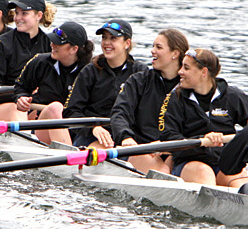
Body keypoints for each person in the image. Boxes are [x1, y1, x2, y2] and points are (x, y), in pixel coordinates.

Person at [161, 48, 248, 187]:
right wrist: (203, 142)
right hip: (190, 162)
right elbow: (167, 136)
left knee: (241, 183)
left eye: (186, 68)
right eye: (181, 67)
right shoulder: (176, 98)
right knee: (204, 173)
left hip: (223, 162)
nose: (180, 72)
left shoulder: (233, 96)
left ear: (204, 72)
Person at [111, 29, 189, 173]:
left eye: (158, 47)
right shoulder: (139, 81)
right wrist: (125, 136)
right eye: (153, 46)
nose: (152, 51)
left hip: (175, 151)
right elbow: (119, 113)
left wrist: (171, 147)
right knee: (163, 171)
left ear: (175, 53)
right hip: (142, 148)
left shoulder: (189, 86)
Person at [62, 19, 148, 148]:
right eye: (104, 38)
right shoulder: (90, 71)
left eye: (113, 38)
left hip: (127, 137)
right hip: (91, 136)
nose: (107, 43)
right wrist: (92, 128)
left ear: (127, 43)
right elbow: (71, 112)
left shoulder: (140, 72)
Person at [13, 22, 94, 144]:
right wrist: (21, 98)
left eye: (58, 43)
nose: (52, 45)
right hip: (43, 123)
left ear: (74, 49)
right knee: (55, 108)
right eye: (52, 41)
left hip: (76, 128)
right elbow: (21, 87)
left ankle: (69, 152)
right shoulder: (40, 62)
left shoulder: (90, 72)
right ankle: (67, 157)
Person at [0, 0, 56, 119]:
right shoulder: (0, 44)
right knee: (17, 109)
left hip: (35, 104)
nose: (18, 18)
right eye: (17, 13)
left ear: (39, 15)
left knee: (55, 109)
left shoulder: (50, 44)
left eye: (24, 13)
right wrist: (20, 96)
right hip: (1, 106)